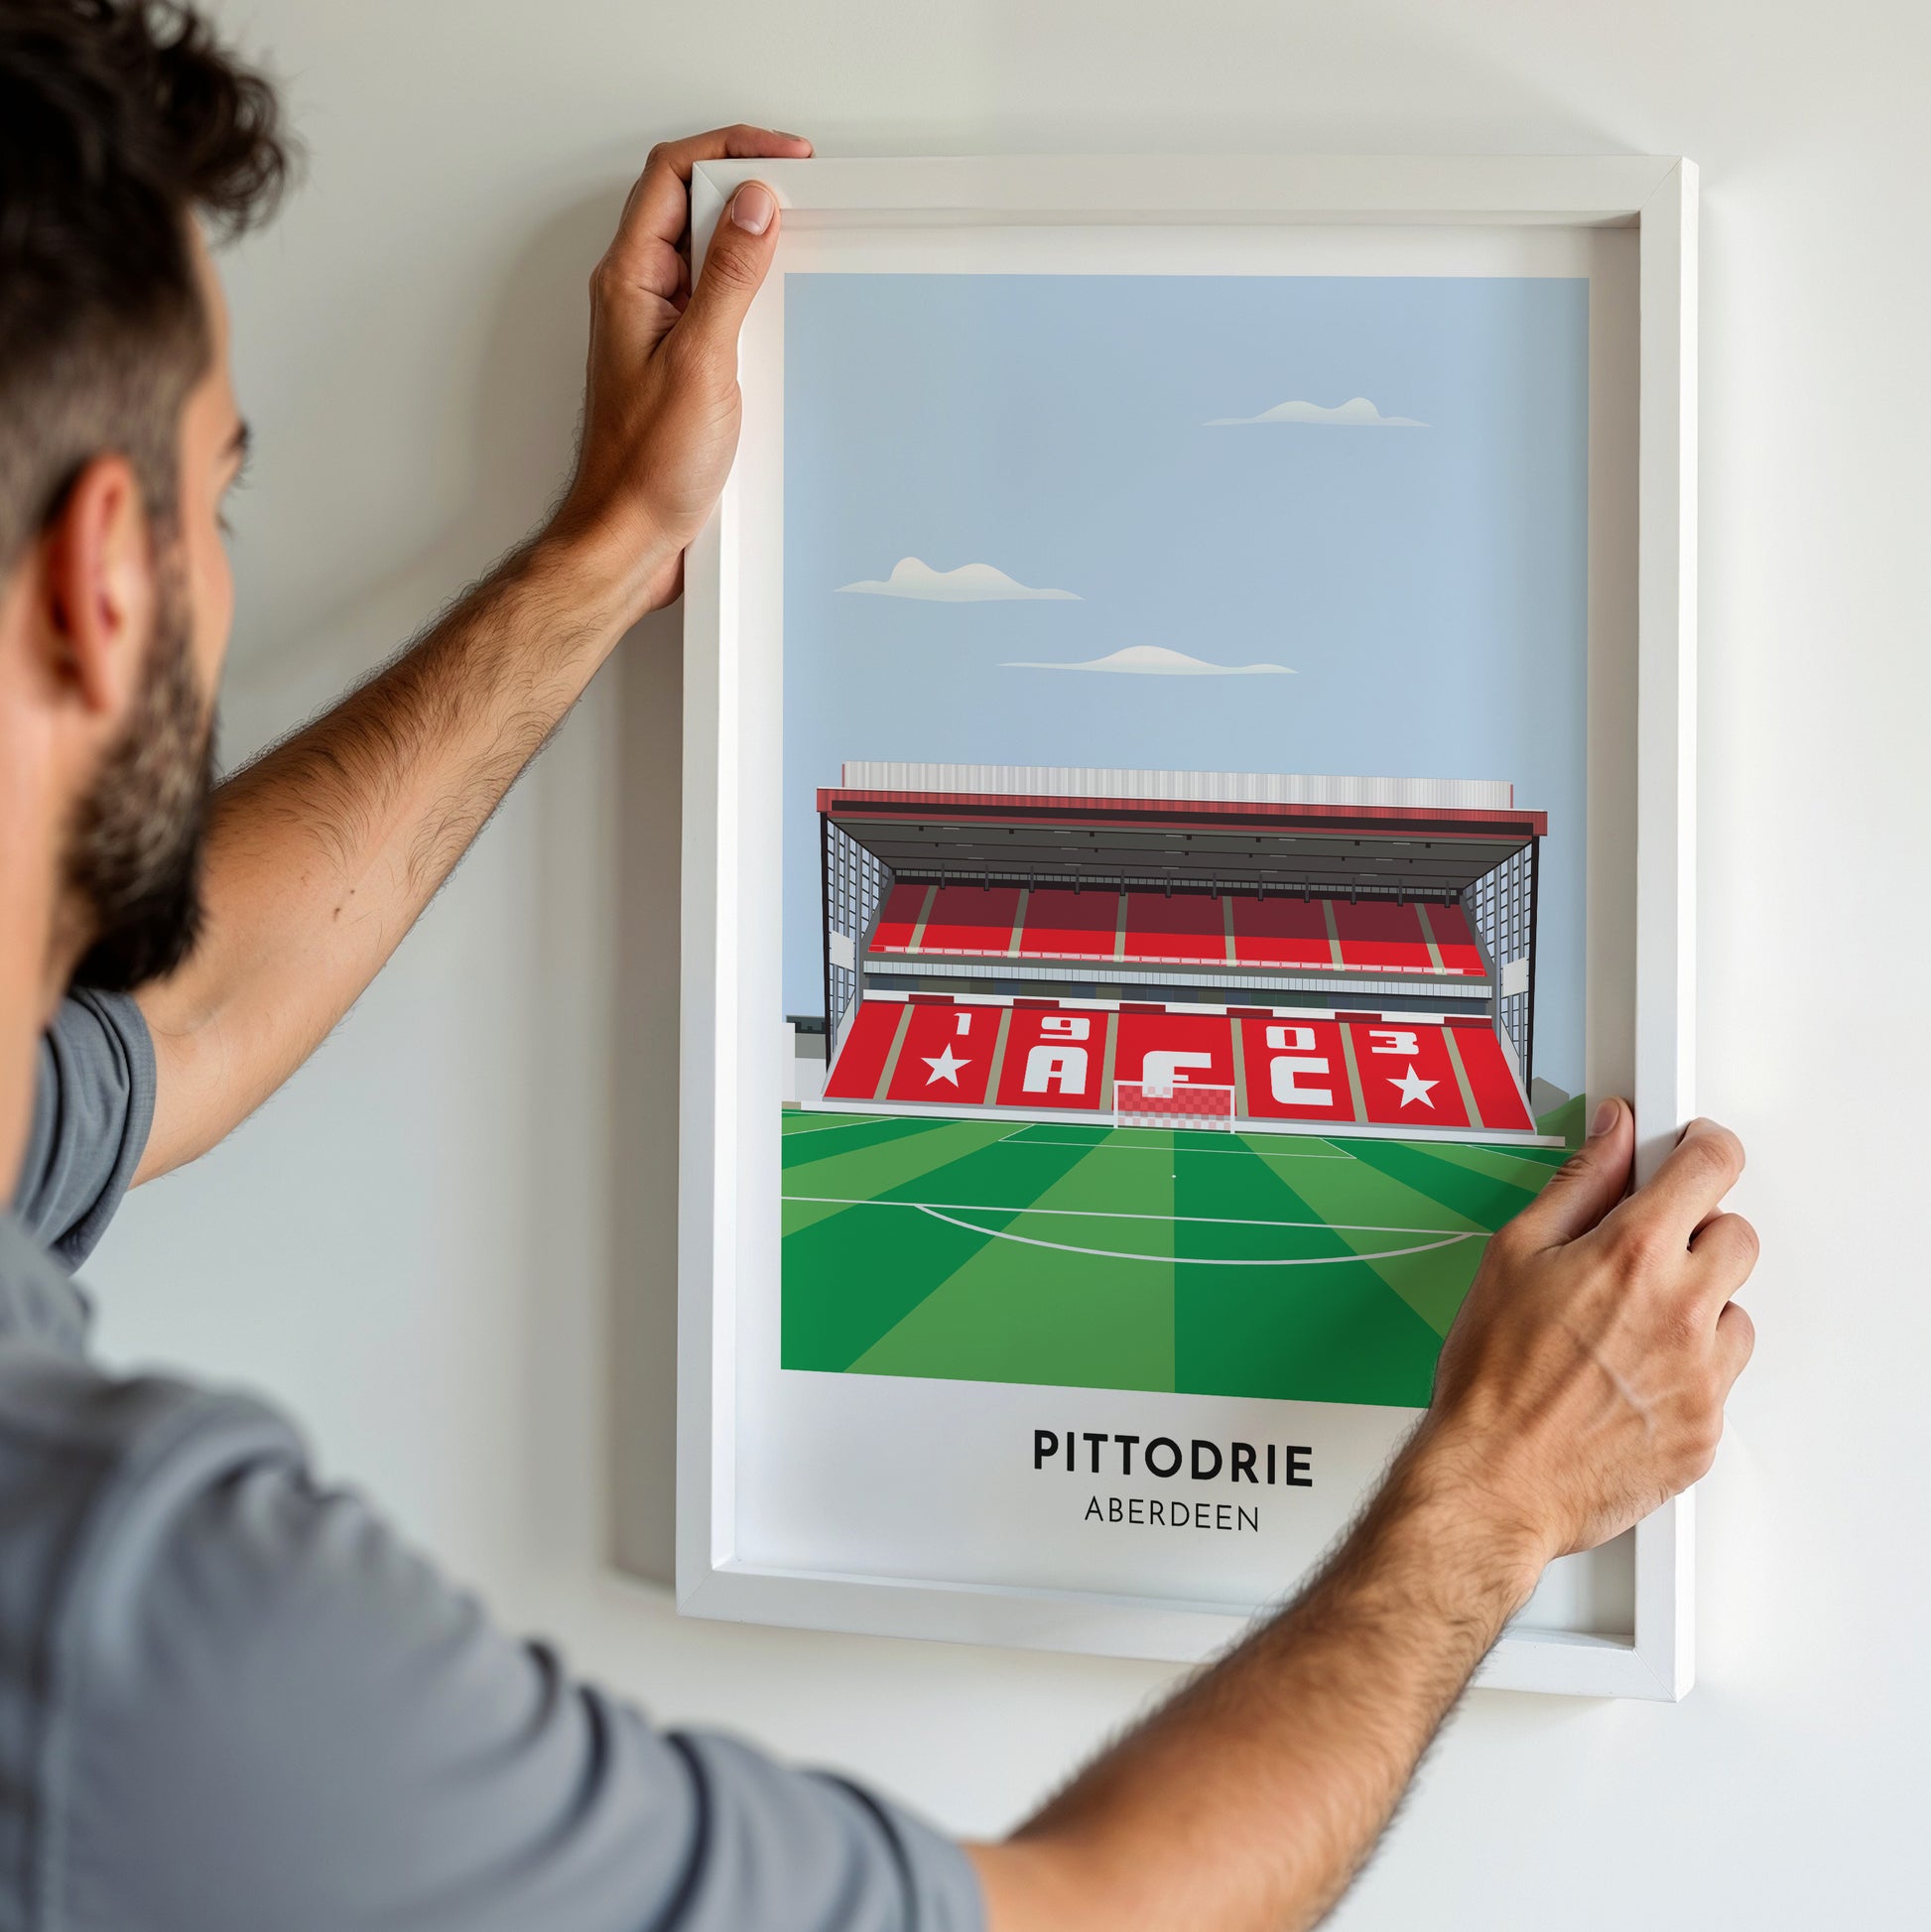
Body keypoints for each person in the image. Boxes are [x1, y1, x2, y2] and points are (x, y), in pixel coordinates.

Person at [0, 4, 1757, 1928]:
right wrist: (1493, 1503)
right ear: (111, 574)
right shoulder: (127, 1614)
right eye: (222, 492)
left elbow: (183, 1018)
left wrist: (608, 551)